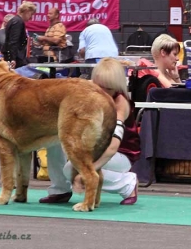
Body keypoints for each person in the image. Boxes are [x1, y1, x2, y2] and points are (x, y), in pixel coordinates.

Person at [40, 58, 141, 205]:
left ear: (117, 87)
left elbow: (112, 147)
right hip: (93, 146)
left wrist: (87, 172)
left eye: (108, 89)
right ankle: (60, 190)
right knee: (53, 140)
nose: (102, 92)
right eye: (98, 86)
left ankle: (127, 183)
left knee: (72, 170)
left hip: (121, 153)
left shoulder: (120, 105)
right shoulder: (87, 91)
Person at [3, 1, 37, 68]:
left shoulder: (15, 20)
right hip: (15, 58)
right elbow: (13, 41)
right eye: (31, 14)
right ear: (27, 11)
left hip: (13, 56)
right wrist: (13, 59)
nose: (31, 17)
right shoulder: (18, 22)